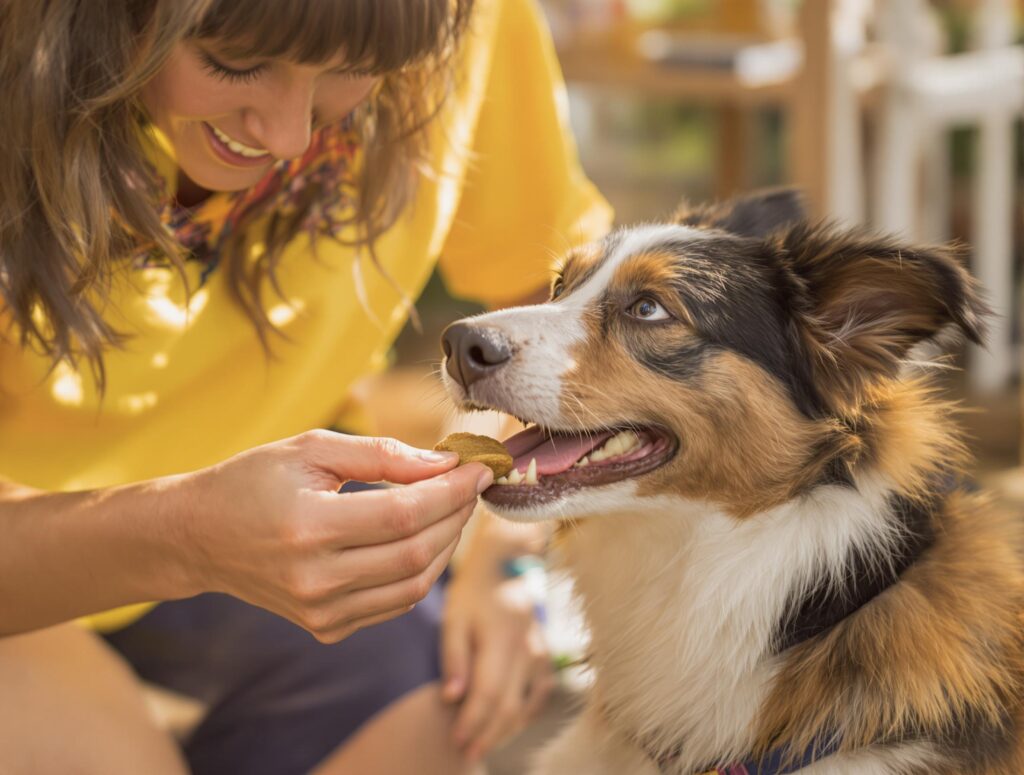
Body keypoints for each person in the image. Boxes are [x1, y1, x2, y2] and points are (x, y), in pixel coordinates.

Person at [0, 0, 612, 773]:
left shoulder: (467, 22)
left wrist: (507, 556)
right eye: (234, 62)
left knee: (433, 723)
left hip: (255, 533)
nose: (289, 136)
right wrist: (188, 536)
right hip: (32, 558)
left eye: (352, 71)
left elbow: (552, 297)